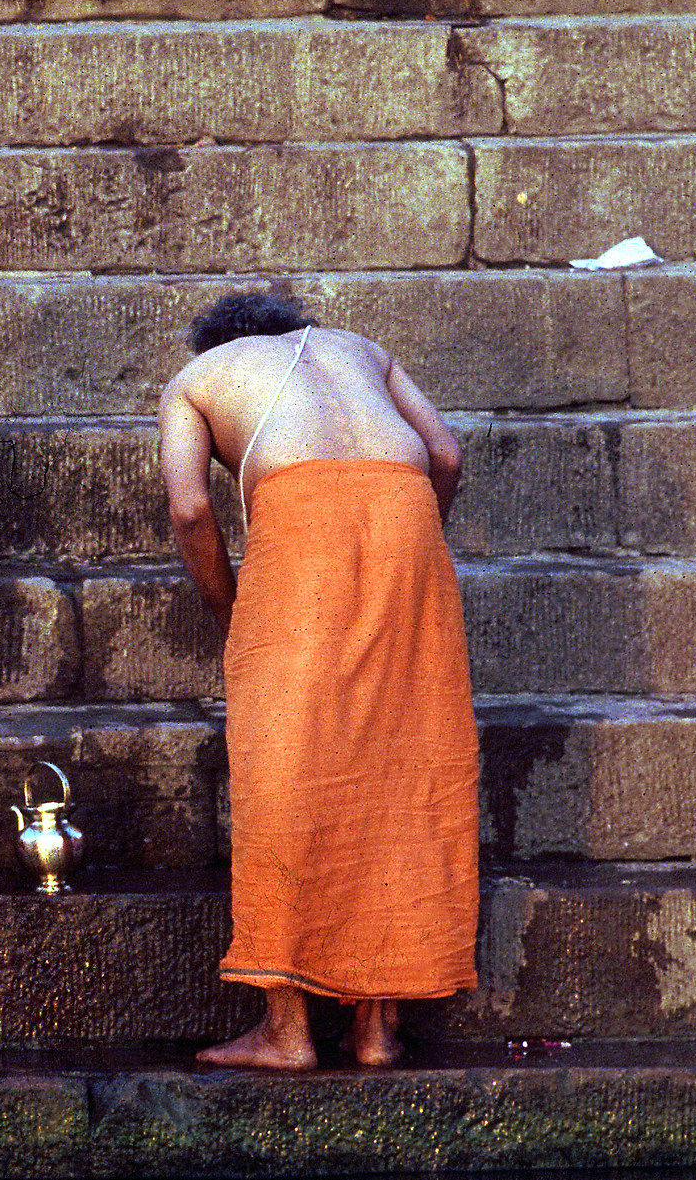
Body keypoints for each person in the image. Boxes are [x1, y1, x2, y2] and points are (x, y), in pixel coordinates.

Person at [157, 289, 479, 1071]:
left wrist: (227, 604)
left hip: (300, 531)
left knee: (285, 769)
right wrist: (402, 531)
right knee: (402, 762)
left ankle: (288, 1031)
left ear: (215, 342)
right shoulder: (361, 348)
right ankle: (376, 1030)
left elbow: (193, 509)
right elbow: (446, 455)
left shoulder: (198, 378)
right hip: (406, 520)